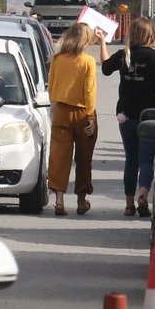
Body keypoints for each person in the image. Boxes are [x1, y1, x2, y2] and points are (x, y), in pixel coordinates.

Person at [101, 17, 155, 217]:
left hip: (126, 115)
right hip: (152, 116)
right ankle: (143, 192)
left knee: (131, 160)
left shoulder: (122, 55)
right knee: (146, 160)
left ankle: (128, 204)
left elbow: (105, 69)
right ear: (151, 35)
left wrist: (102, 43)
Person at [47, 22, 107, 216]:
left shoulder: (57, 59)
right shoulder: (87, 61)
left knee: (59, 157)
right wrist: (91, 117)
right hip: (82, 114)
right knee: (83, 158)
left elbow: (51, 87)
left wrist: (55, 106)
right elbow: (89, 91)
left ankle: (59, 199)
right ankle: (81, 201)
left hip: (61, 111)